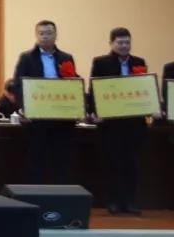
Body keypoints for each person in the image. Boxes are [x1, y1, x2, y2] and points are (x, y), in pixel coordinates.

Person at [89, 27, 147, 215]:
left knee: (132, 165)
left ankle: (130, 202)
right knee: (112, 164)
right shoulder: (101, 62)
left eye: (127, 42)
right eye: (120, 42)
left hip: (133, 124)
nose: (124, 46)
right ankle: (113, 201)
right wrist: (95, 112)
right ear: (111, 43)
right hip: (110, 124)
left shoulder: (139, 62)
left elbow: (144, 89)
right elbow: (94, 90)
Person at [12, 20, 77, 185]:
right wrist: (23, 109)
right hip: (37, 120)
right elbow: (18, 85)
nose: (45, 37)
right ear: (36, 35)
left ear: (56, 35)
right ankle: (38, 196)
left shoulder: (66, 58)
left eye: (49, 33)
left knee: (61, 162)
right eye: (41, 33)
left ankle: (60, 196)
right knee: (37, 162)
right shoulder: (27, 58)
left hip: (61, 120)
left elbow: (73, 85)